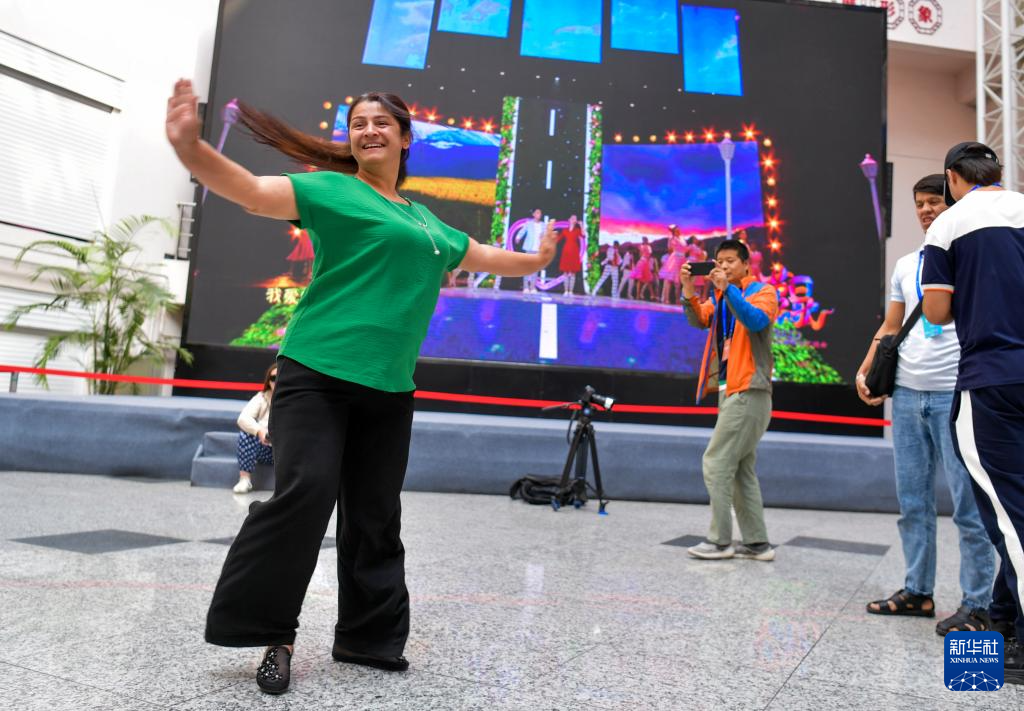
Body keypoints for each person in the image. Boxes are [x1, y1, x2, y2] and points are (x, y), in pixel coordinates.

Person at [166, 79, 556, 695]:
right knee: (305, 495)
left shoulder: (426, 221)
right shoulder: (333, 189)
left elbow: (484, 255)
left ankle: (366, 638)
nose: (368, 130)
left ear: (405, 138)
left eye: (381, 122)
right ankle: (274, 635)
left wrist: (537, 262)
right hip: (316, 373)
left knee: (376, 515)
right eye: (358, 123)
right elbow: (251, 192)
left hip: (389, 388)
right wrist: (191, 150)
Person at [855, 174, 995, 634]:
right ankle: (917, 591)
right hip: (907, 395)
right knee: (913, 502)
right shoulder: (906, 264)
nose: (926, 209)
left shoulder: (971, 258)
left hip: (957, 394)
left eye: (934, 200)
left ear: (952, 203)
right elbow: (891, 325)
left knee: (969, 507)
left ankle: (977, 604)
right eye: (919, 203)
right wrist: (866, 367)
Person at [922, 141, 1024, 684]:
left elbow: (936, 310)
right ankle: (1003, 618)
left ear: (953, 178)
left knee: (1008, 515)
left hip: (992, 379)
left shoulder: (950, 223)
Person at [680, 239, 779, 561]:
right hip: (730, 389)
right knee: (740, 470)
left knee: (716, 461)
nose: (723, 266)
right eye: (719, 261)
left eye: (730, 261)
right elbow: (699, 319)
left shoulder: (763, 292)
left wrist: (728, 290)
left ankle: (719, 541)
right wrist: (687, 289)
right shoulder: (720, 298)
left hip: (748, 389)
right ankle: (757, 543)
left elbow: (756, 320)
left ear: (746, 265)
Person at [233, 363, 278, 494]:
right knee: (246, 434)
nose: (276, 381)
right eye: (273, 378)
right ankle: (244, 480)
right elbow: (242, 418)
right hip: (266, 448)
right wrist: (259, 431)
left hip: (287, 451)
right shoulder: (261, 397)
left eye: (280, 377)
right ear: (268, 381)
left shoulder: (295, 400)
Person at [515, 208, 546, 292]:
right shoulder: (529, 223)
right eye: (537, 213)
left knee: (535, 269)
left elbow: (546, 235)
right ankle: (525, 287)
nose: (539, 214)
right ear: (534, 214)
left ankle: (532, 287)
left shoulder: (543, 225)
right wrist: (518, 237)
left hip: (538, 249)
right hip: (529, 248)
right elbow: (523, 231)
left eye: (540, 213)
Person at [558, 214, 585, 295]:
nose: (574, 219)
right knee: (565, 272)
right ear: (569, 220)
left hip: (574, 252)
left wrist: (581, 225)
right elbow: (558, 238)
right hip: (566, 252)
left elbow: (583, 235)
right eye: (572, 218)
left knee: (573, 272)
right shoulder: (565, 230)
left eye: (575, 218)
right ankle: (566, 290)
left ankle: (571, 291)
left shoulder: (577, 230)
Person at [659, 225, 686, 304]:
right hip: (675, 259)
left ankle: (677, 299)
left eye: (679, 230)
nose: (678, 232)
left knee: (679, 281)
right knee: (670, 279)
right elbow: (670, 249)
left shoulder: (682, 239)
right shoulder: (672, 239)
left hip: (682, 259)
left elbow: (685, 248)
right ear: (674, 232)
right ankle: (666, 298)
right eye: (676, 230)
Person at [630, 236, 654, 301]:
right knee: (645, 279)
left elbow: (641, 255)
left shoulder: (642, 246)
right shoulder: (647, 247)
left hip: (641, 262)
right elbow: (648, 256)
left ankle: (648, 295)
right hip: (644, 262)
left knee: (643, 279)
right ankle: (649, 295)